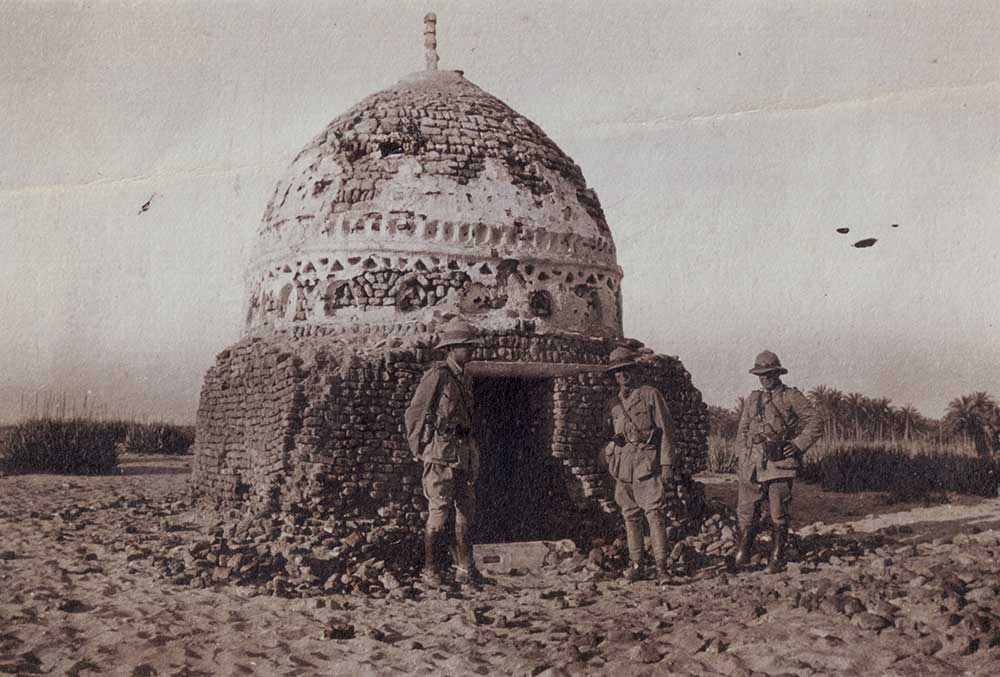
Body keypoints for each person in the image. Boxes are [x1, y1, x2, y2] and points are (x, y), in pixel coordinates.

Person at [404, 318, 484, 587]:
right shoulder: (438, 375)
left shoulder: (465, 379)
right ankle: (431, 571)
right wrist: (418, 448)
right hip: (440, 454)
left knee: (466, 512)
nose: (471, 351)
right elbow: (416, 411)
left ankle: (465, 569)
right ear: (451, 349)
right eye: (466, 346)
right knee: (438, 513)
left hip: (462, 454)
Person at [734, 350, 823, 573]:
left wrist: (797, 445)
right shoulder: (753, 398)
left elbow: (815, 421)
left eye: (769, 373)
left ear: (777, 373)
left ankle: (777, 556)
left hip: (779, 462)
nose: (765, 378)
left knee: (778, 511)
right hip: (752, 462)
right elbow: (742, 430)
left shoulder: (790, 396)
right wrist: (741, 455)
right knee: (746, 509)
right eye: (761, 374)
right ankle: (743, 552)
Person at [602, 347, 677, 582]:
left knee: (654, 515)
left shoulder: (650, 395)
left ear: (634, 370)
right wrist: (612, 452)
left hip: (648, 464)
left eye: (626, 370)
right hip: (624, 467)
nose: (622, 375)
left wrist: (666, 465)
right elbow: (607, 435)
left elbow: (666, 431)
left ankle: (661, 567)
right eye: (617, 372)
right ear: (614, 376)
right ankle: (637, 565)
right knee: (630, 515)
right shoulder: (613, 404)